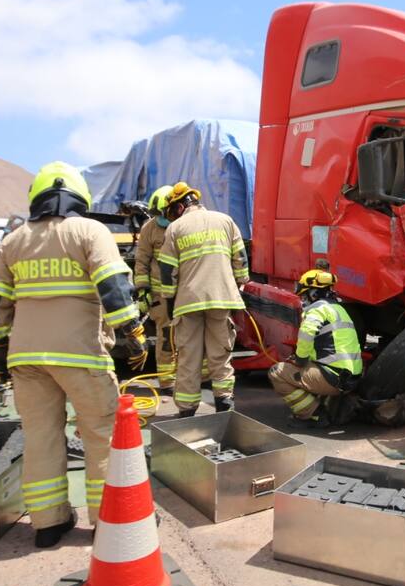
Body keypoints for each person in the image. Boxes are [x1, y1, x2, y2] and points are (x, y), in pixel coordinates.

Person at [0, 162, 148, 548]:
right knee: (101, 437)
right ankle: (110, 521)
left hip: (26, 360)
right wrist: (131, 333)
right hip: (81, 356)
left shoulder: (14, 240)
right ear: (79, 197)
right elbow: (113, 285)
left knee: (40, 438)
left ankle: (48, 524)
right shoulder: (90, 231)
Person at [156, 182, 248, 416]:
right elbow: (240, 259)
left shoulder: (175, 229)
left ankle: (187, 411)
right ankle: (225, 406)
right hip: (222, 298)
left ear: (178, 207)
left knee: (189, 358)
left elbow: (167, 271)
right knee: (221, 354)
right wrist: (238, 283)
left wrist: (169, 301)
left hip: (188, 302)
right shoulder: (225, 221)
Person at [268, 270, 363, 428]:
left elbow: (307, 333)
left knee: (277, 372)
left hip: (333, 378)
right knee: (300, 367)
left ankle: (314, 415)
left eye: (305, 295)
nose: (304, 299)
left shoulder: (318, 309)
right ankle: (319, 406)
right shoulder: (339, 309)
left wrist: (300, 359)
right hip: (349, 377)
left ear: (313, 293)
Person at [134, 184, 176, 391]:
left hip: (185, 293)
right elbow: (141, 261)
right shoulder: (149, 228)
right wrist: (143, 291)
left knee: (191, 336)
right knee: (166, 336)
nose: (160, 217)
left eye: (163, 212)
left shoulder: (185, 225)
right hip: (161, 295)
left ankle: (194, 378)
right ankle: (167, 382)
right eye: (157, 213)